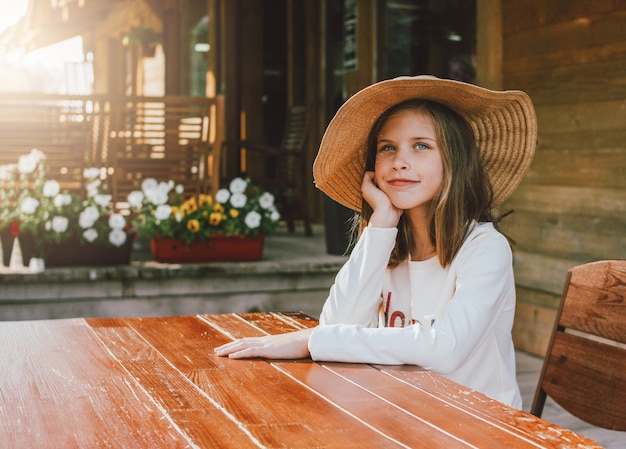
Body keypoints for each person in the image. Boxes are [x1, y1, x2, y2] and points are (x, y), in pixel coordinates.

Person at [215, 75, 537, 409]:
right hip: (404, 413)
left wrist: (312, 340)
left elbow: (446, 348)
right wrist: (381, 224)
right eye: (388, 148)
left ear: (454, 161)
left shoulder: (484, 249)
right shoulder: (390, 245)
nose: (400, 161)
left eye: (421, 145)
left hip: (480, 426)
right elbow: (339, 324)